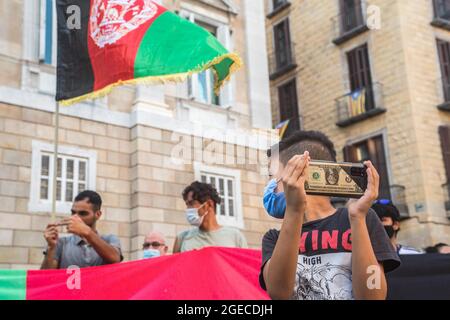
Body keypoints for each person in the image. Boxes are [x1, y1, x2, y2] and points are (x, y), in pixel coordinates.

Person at [259, 130, 401, 300]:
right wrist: (294, 210)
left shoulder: (362, 218)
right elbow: (279, 293)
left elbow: (374, 295)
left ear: (302, 173)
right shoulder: (274, 238)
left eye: (273, 176)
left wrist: (358, 220)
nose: (270, 187)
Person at [41, 190, 123, 269]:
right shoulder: (61, 243)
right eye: (73, 212)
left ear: (97, 214)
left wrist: (86, 232)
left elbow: (115, 259)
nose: (75, 217)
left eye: (83, 213)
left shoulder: (109, 239)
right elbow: (45, 278)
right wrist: (51, 247)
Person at [173, 181, 248, 253]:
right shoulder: (182, 238)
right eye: (187, 205)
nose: (188, 209)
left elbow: (244, 265)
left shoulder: (236, 237)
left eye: (191, 203)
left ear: (209, 204)